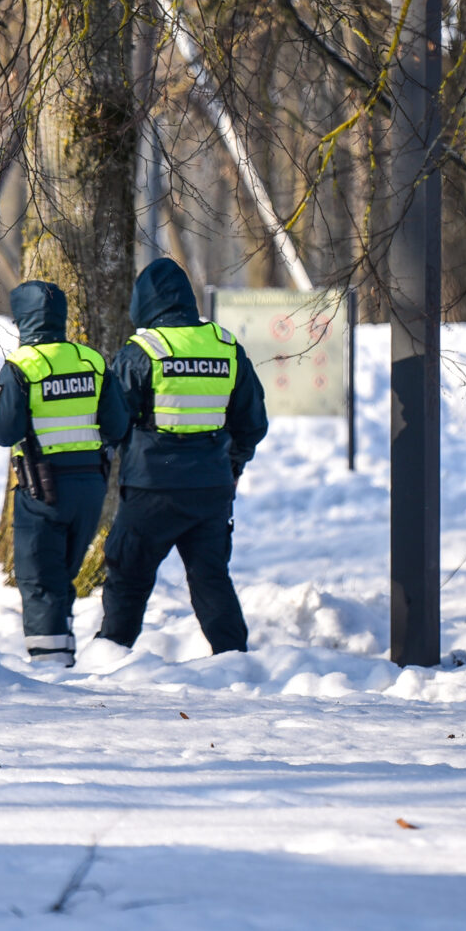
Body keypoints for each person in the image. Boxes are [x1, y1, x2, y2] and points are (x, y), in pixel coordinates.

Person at [98, 257, 268, 654]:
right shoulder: (226, 347)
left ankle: (110, 656)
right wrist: (232, 465)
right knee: (211, 579)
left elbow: (114, 422)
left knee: (128, 577)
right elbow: (252, 422)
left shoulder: (143, 351)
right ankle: (234, 659)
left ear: (144, 302)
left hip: (151, 489)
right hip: (211, 488)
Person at [0, 280, 128, 667]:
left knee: (38, 578)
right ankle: (63, 654)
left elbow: (3, 431)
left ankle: (51, 667)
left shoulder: (22, 366)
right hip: (90, 487)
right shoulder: (91, 361)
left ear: (23, 320)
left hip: (42, 489)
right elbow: (117, 425)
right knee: (63, 574)